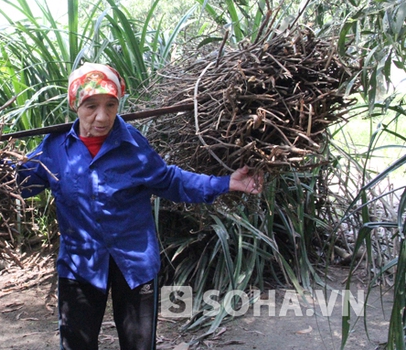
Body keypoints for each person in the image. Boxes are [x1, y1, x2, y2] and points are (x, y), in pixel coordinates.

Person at [17, 62, 263, 350]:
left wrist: (226, 183)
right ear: (75, 106)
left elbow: (171, 180)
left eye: (111, 104)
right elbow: (19, 183)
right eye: (90, 106)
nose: (102, 116)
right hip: (79, 264)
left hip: (133, 262)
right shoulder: (54, 148)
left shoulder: (133, 144)